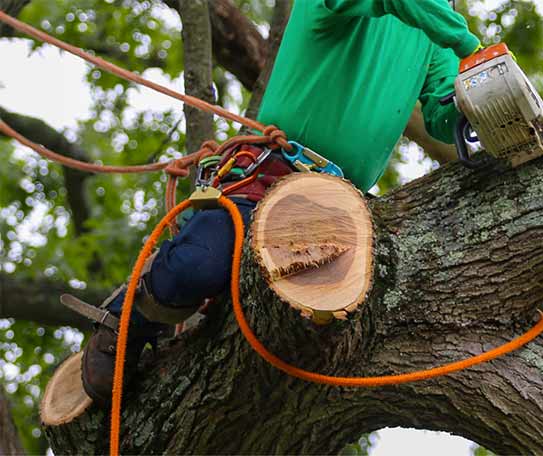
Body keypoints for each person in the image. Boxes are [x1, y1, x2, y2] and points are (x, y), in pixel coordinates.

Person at [80, 0, 482, 405]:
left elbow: (443, 109)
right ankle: (127, 321)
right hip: (271, 175)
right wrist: (468, 44)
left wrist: (478, 103)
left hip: (343, 204)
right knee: (194, 268)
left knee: (342, 331)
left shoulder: (435, 36)